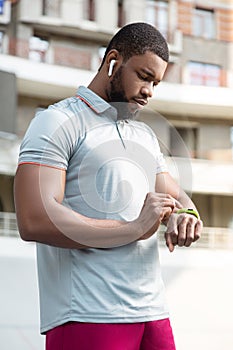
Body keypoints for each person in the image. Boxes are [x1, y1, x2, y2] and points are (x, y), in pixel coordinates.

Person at [14, 22, 202, 350]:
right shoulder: (56, 121)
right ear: (113, 62)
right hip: (89, 315)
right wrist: (133, 228)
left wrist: (183, 215)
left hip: (154, 313)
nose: (150, 92)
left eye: (155, 83)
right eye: (144, 76)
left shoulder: (143, 135)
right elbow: (35, 219)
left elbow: (179, 197)